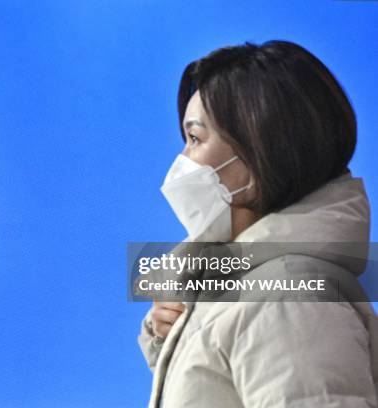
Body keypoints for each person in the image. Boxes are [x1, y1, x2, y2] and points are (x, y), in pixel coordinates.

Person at [138, 40, 378, 407]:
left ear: (259, 151)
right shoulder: (251, 288)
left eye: (195, 138)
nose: (182, 159)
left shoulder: (287, 298)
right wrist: (171, 337)